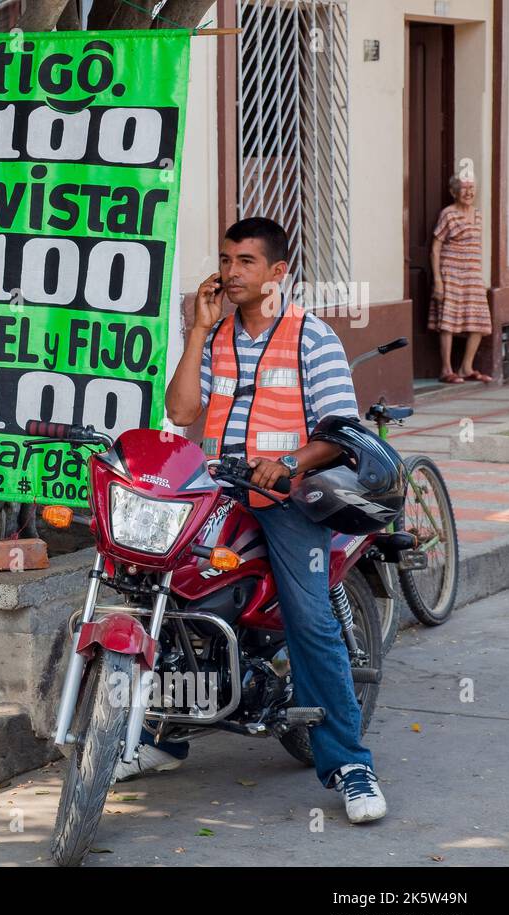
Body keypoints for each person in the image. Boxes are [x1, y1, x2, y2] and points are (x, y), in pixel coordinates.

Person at [160, 216, 387, 824]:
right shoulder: (215, 336)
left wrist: (286, 463)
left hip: (289, 499)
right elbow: (181, 410)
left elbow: (341, 432)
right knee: (170, 591)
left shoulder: (312, 337)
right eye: (225, 260)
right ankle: (164, 734)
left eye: (246, 262)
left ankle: (350, 765)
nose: (231, 272)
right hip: (218, 492)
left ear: (277, 272)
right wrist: (196, 330)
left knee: (309, 619)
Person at [430, 174, 493, 383]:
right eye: (464, 188)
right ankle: (446, 370)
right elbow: (435, 248)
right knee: (448, 322)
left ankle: (466, 367)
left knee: (480, 322)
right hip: (451, 274)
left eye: (471, 188)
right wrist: (438, 280)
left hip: (472, 276)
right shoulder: (448, 214)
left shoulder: (478, 214)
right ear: (453, 192)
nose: (469, 192)